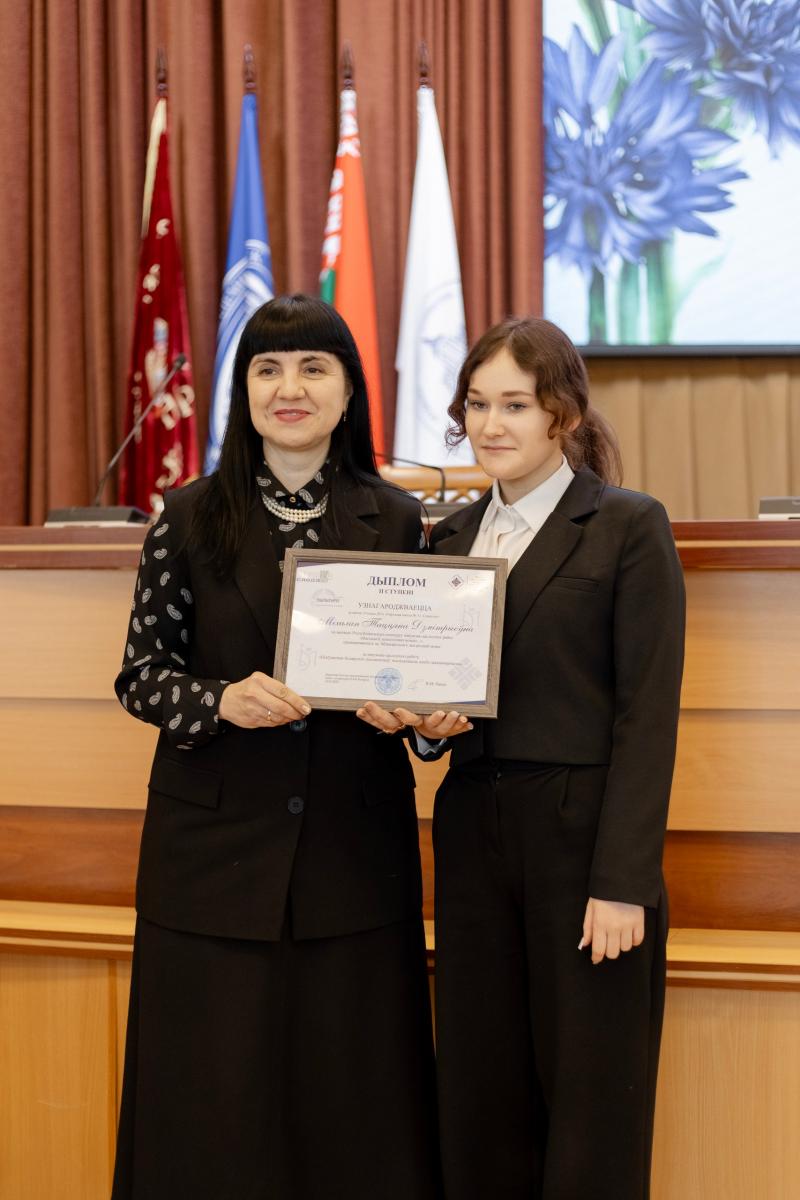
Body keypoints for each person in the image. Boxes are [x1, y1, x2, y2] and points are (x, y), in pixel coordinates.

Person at [111, 295, 446, 1200]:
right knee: (212, 1106)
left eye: (312, 368)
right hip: (212, 864)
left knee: (353, 1104)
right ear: (244, 390)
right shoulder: (187, 517)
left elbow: (427, 684)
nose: (288, 388)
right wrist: (220, 700)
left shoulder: (400, 521)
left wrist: (424, 725)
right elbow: (141, 676)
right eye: (267, 368)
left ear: (349, 392)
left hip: (353, 859)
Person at [358, 316, 685, 1199]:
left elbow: (647, 716)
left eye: (514, 404)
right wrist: (424, 728)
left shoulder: (626, 525)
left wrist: (623, 882)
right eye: (477, 404)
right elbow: (439, 715)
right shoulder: (449, 539)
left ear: (562, 414)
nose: (491, 424)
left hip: (585, 845)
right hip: (473, 834)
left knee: (592, 1096)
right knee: (480, 1085)